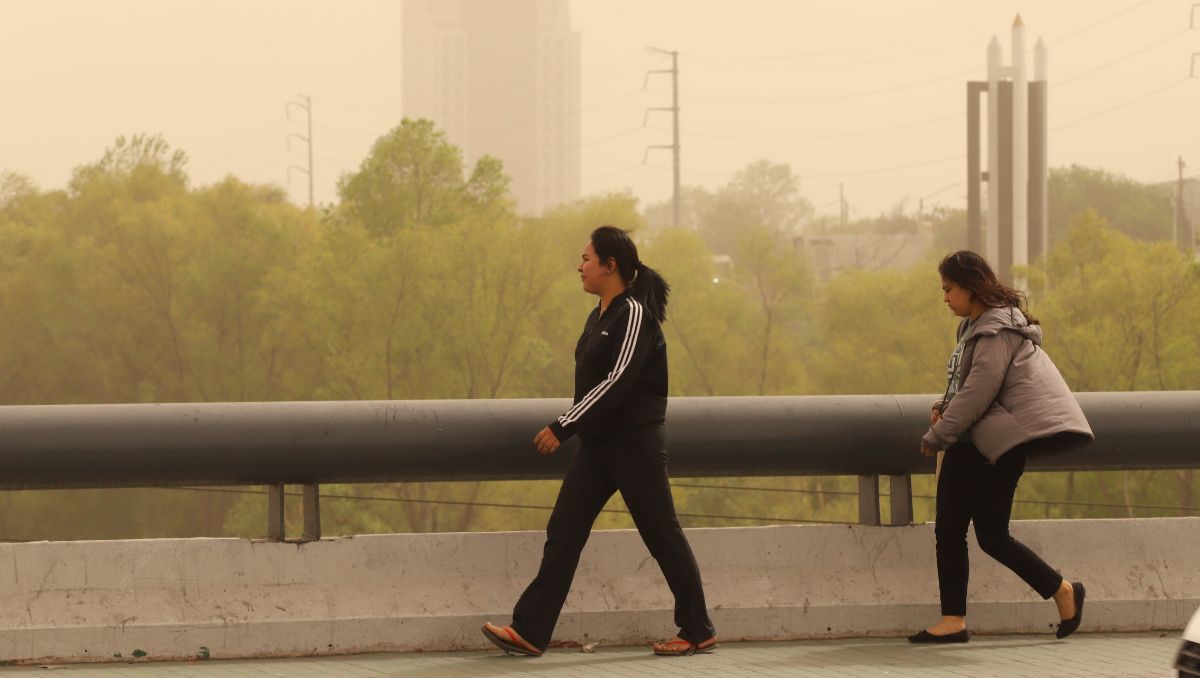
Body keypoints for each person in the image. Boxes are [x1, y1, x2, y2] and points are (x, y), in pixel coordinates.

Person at [481, 225, 718, 657]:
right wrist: (579, 428)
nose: (580, 266)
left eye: (586, 259)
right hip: (597, 447)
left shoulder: (634, 315)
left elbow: (618, 382)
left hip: (635, 444)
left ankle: (697, 628)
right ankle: (530, 631)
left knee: (661, 534)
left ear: (610, 266)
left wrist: (561, 425)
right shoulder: (598, 318)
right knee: (564, 532)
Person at [909, 250, 1094, 644]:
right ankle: (953, 620)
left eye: (948, 289)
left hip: (999, 446)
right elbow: (963, 387)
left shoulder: (998, 330)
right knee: (948, 530)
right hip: (968, 439)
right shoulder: (971, 327)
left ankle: (1064, 591)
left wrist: (936, 436)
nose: (944, 297)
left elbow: (979, 393)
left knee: (992, 537)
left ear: (970, 287)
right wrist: (944, 407)